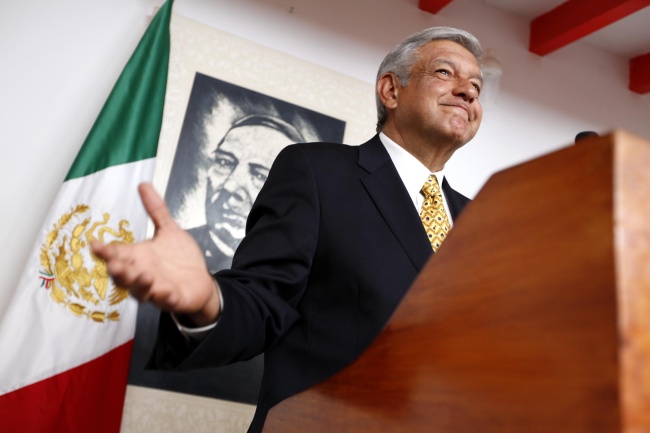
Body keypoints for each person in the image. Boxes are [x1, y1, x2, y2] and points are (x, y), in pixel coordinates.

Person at [92, 26, 484, 433]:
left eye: (476, 86)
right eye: (444, 72)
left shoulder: (481, 219)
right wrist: (208, 299)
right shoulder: (317, 172)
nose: (467, 92)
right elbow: (264, 299)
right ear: (391, 90)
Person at [189, 114, 305, 273]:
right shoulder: (169, 246)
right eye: (224, 162)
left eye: (261, 176)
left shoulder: (294, 276)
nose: (230, 186)